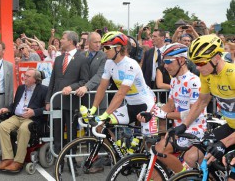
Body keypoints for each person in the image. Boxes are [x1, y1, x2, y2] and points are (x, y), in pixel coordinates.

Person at [168, 34, 235, 180]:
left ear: (217, 58)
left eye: (202, 63)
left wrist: (225, 142)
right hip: (231, 126)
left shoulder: (232, 75)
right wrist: (184, 126)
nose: (198, 67)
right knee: (191, 157)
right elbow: (201, 102)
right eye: (195, 63)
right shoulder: (207, 75)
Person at [150, 43, 205, 174]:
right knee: (156, 156)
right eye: (164, 62)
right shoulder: (174, 80)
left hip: (194, 129)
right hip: (179, 129)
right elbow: (170, 106)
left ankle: (183, 176)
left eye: (168, 61)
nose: (165, 66)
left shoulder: (194, 81)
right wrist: (150, 113)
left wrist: (166, 115)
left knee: (160, 151)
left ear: (181, 60)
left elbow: (191, 113)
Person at [90, 32, 157, 135]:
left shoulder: (131, 65)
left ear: (118, 48)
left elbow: (121, 94)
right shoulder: (108, 63)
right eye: (103, 48)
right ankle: (113, 151)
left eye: (107, 48)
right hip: (130, 106)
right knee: (100, 126)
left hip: (146, 105)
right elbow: (102, 87)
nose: (104, 51)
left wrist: (106, 114)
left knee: (149, 142)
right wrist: (93, 109)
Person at [0, 69, 47, 172]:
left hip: (31, 118)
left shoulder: (44, 90)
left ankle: (18, 162)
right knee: (2, 126)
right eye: (25, 75)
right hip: (17, 117)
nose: (24, 77)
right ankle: (8, 158)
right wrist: (8, 109)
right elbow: (15, 104)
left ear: (35, 80)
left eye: (28, 76)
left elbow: (47, 108)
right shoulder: (21, 88)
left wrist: (34, 112)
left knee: (23, 129)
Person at [45, 31, 89, 154]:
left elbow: (84, 80)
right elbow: (52, 81)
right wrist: (48, 100)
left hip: (71, 103)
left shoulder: (83, 59)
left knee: (71, 133)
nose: (61, 40)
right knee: (57, 132)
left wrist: (72, 87)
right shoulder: (58, 59)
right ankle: (59, 159)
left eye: (63, 38)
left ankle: (72, 160)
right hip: (57, 102)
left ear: (70, 41)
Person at [75, 32, 107, 108]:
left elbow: (100, 75)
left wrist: (86, 87)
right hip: (82, 99)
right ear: (88, 42)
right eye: (95, 42)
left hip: (98, 99)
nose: (98, 44)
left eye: (100, 42)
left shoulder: (104, 56)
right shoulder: (81, 55)